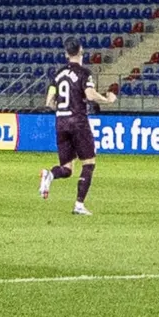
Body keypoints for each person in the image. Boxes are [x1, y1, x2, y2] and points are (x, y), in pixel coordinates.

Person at [40, 39, 116, 214]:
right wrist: (107, 100)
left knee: (66, 169)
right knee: (88, 163)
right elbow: (89, 94)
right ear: (81, 51)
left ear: (66, 54)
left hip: (61, 122)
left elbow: (49, 102)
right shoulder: (84, 73)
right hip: (78, 122)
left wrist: (61, 109)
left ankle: (49, 175)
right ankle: (79, 205)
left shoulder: (58, 75)